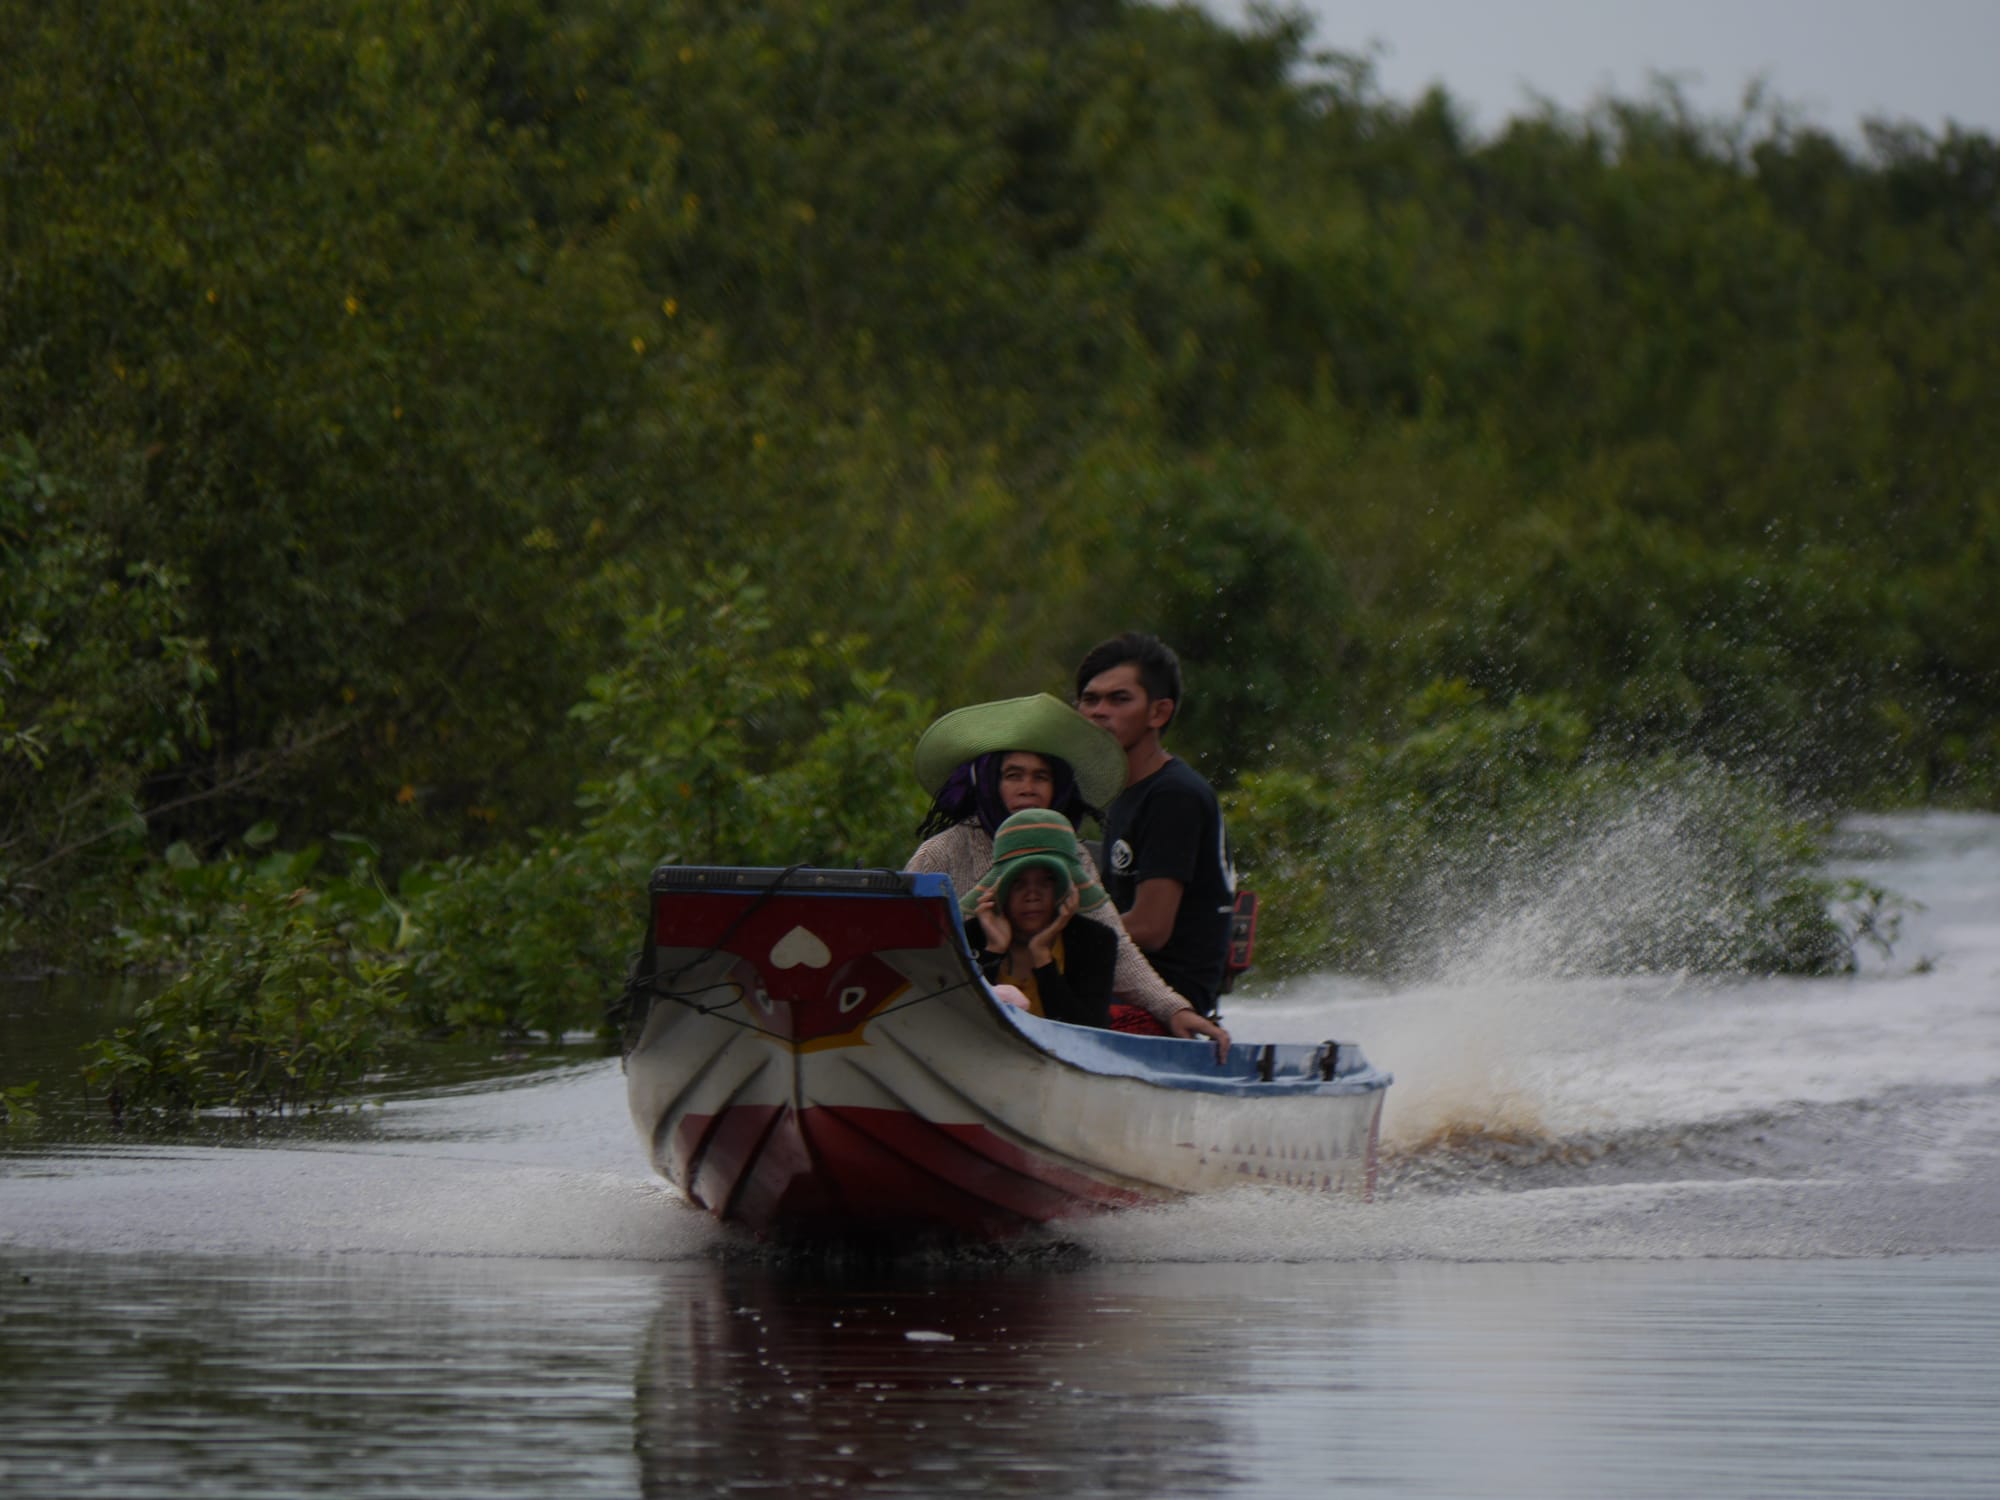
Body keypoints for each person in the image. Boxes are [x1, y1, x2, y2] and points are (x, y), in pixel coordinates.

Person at [906, 694, 1230, 1052]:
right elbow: (906, 941)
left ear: (1056, 789)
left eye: (1041, 777)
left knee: (1143, 1027)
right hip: (950, 1009)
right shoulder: (943, 851)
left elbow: (1115, 942)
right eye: (1013, 775)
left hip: (1054, 1012)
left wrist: (1173, 1007)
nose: (1028, 787)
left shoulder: (1071, 854)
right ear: (989, 783)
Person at [1075, 633, 1234, 1017]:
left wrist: (1057, 934)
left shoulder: (1173, 795)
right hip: (1121, 977)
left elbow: (1151, 927)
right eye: (1090, 699)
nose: (1099, 711)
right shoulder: (1123, 791)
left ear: (1158, 713)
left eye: (1119, 699)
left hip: (1168, 994)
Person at [960, 809, 1116, 1028]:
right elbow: (961, 1020)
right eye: (1018, 883)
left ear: (1063, 890)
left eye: (1046, 882)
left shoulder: (1095, 941)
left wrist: (1042, 957)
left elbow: (1090, 1032)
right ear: (1001, 891)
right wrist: (993, 950)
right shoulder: (971, 937)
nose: (1032, 895)